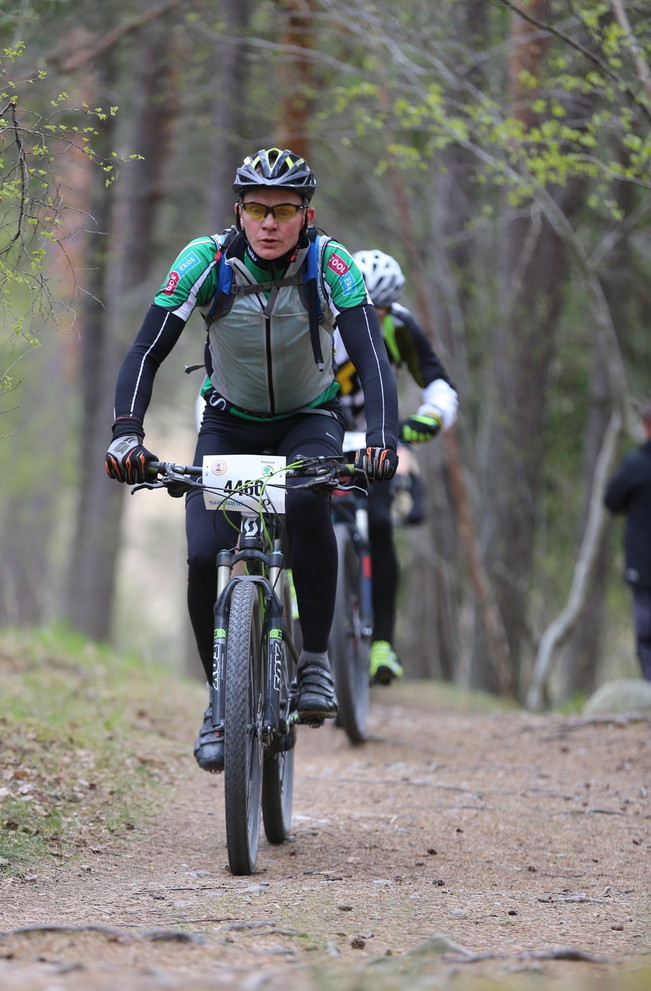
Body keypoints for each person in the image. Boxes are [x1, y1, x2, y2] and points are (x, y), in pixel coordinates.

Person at [105, 148, 399, 771]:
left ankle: (314, 663)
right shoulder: (204, 261)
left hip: (309, 419)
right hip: (229, 422)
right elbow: (145, 351)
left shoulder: (332, 264)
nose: (269, 222)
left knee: (308, 507)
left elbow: (370, 357)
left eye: (284, 210)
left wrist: (382, 440)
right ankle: (221, 702)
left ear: (306, 215)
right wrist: (127, 434)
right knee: (200, 551)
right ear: (238, 212)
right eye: (257, 209)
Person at [333, 249, 458, 684]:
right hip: (320, 431)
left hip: (374, 438)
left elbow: (439, 383)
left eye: (380, 308)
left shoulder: (400, 325)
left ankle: (382, 644)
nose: (372, 315)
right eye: (367, 305)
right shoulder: (320, 315)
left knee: (382, 526)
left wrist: (429, 420)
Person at [603, 392, 651, 683]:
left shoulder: (637, 464)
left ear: (649, 425)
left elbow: (611, 500)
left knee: (648, 640)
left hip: (645, 570)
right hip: (644, 569)